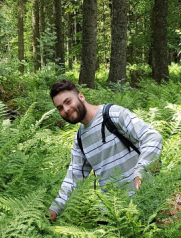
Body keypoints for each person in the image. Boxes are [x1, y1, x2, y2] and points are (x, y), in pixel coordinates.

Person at [48, 79, 163, 221]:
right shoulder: (80, 140)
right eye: (60, 108)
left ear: (81, 97)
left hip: (144, 206)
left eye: (68, 101)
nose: (65, 109)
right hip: (113, 217)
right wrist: (55, 208)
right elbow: (74, 177)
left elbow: (152, 137)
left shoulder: (113, 114)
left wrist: (141, 171)